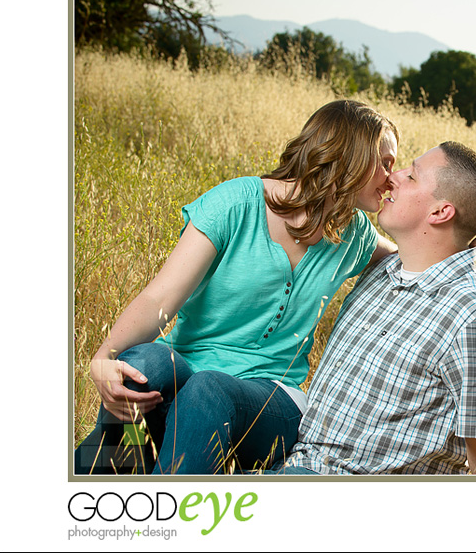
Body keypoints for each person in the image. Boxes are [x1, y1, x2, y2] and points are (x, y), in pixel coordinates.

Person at [74, 99, 403, 475]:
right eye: (385, 162)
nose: (391, 176)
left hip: (271, 396)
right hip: (187, 364)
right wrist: (104, 357)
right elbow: (159, 298)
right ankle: (113, 470)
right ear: (351, 156)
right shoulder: (235, 204)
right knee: (142, 365)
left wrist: (461, 231)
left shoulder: (354, 232)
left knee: (207, 391)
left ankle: (166, 514)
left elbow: (411, 253)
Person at [277, 141, 476, 475]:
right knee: (198, 384)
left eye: (411, 176)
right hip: (295, 459)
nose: (393, 176)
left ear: (440, 212)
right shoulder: (385, 268)